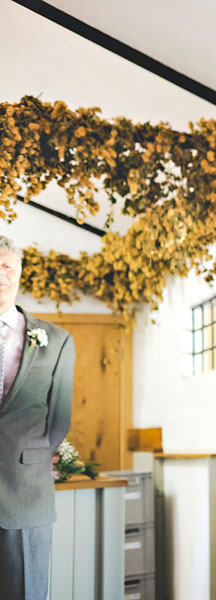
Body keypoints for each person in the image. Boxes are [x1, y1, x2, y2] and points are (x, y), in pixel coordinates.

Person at [0, 235, 75, 600]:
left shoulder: (56, 340)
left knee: (25, 592)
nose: (1, 274)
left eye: (7, 265)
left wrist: (31, 456)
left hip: (27, 493)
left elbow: (60, 417)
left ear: (18, 273)